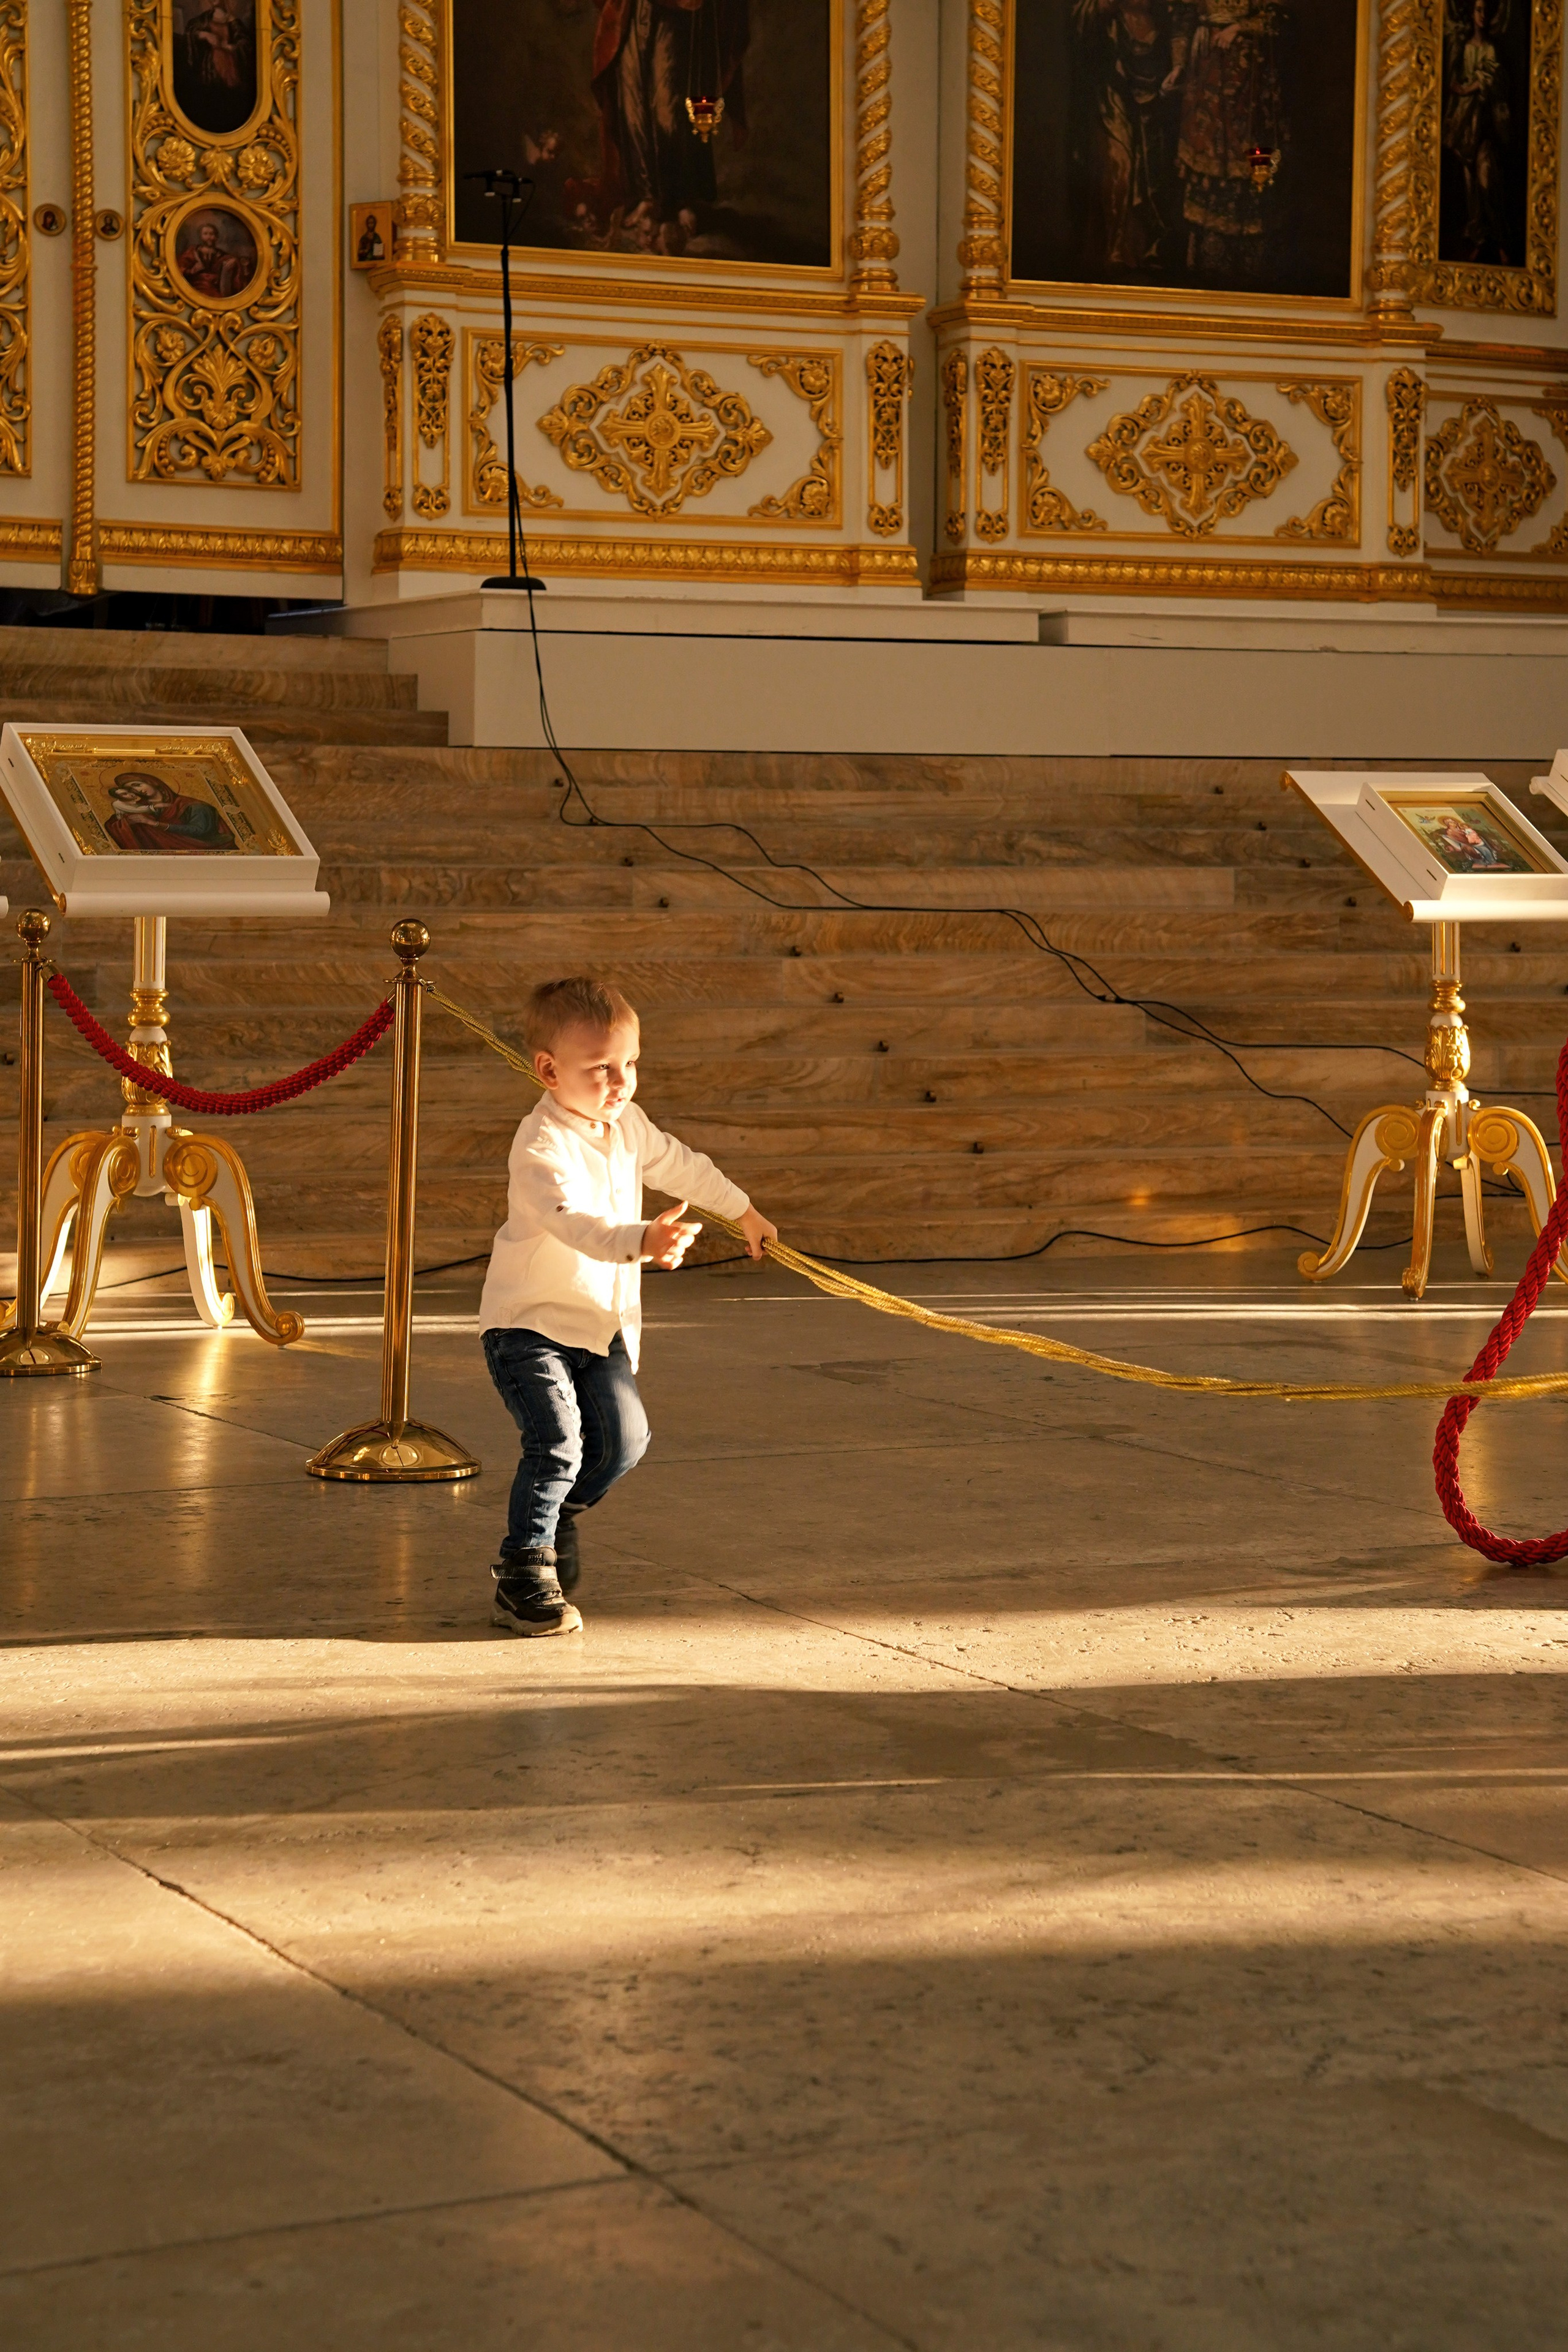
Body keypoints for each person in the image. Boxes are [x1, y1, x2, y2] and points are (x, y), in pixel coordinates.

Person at [480, 974, 777, 1638]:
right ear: (549, 1070)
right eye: (600, 1069)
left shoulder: (627, 1126)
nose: (620, 1082)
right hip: (528, 1325)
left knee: (623, 1444)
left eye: (630, 1065)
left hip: (600, 1323)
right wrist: (642, 1240)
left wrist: (742, 1209)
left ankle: (556, 1521)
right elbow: (572, 1221)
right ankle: (524, 1571)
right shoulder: (540, 1146)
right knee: (556, 1441)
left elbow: (683, 1165)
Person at [1163, 0, 1284, 281]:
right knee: (1206, 155)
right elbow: (1182, 16)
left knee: (1249, 159)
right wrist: (1179, 64)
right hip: (1207, 67)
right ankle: (1207, 259)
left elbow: (1280, 16)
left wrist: (1239, 27)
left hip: (1249, 73)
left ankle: (1248, 262)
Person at [1072, 0, 1177, 275]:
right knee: (1120, 165)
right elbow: (1082, 29)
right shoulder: (1105, 13)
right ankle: (1115, 248)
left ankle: (1147, 249)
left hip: (1154, 102)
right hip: (1113, 96)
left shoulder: (1165, 16)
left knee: (1153, 174)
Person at [1442, 0, 1513, 264]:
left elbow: (1489, 79)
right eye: (1479, 10)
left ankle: (1501, 241)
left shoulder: (1490, 49)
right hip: (1464, 128)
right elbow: (1455, 84)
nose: (1483, 15)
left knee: (1487, 183)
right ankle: (1479, 240)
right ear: (1472, 14)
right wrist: (1461, 91)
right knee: (1471, 188)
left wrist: (1467, 89)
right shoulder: (1463, 49)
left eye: (1486, 10)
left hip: (1484, 127)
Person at [104, 771, 238, 855]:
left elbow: (199, 830)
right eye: (130, 790)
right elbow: (114, 824)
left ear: (153, 783)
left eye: (138, 785)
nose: (137, 791)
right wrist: (124, 823)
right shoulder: (140, 808)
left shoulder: (193, 806)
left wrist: (154, 824)